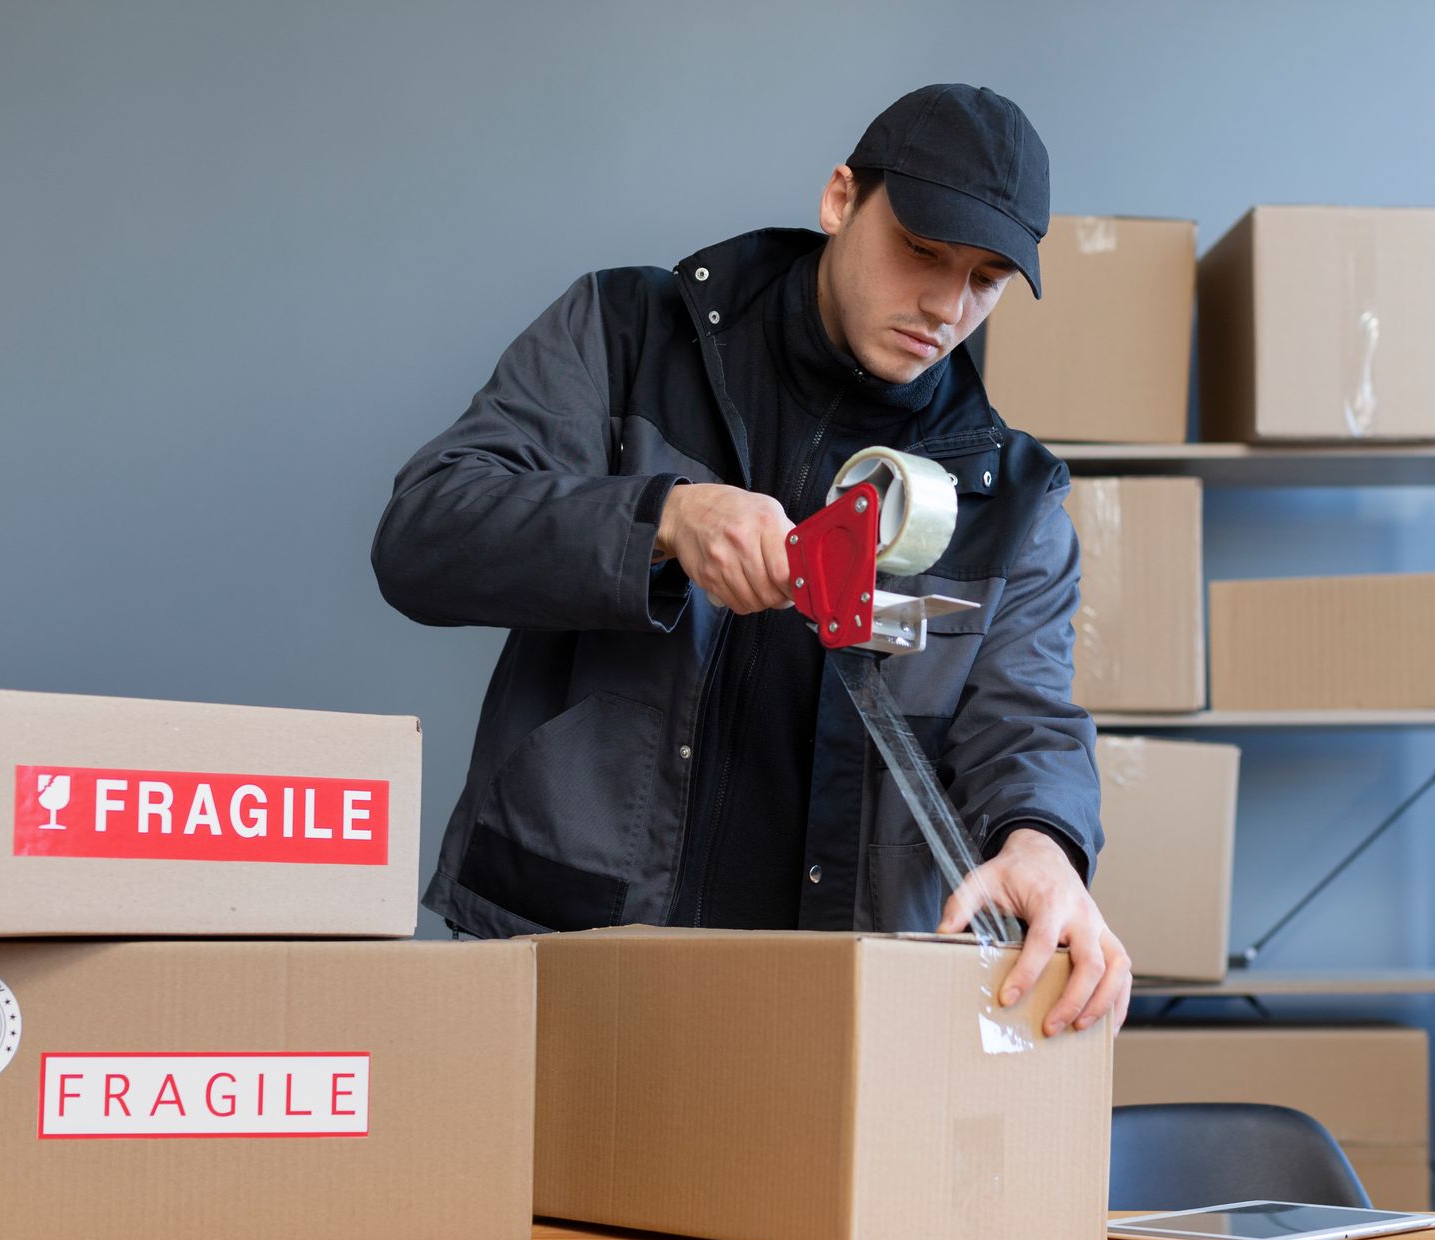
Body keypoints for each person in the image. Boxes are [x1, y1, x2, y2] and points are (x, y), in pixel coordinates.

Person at [372, 84, 1130, 1036]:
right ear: (840, 199)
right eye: (922, 251)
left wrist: (1045, 841)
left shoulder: (1012, 501)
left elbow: (1025, 722)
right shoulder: (624, 335)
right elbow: (423, 534)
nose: (944, 305)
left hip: (822, 1010)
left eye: (983, 280)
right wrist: (661, 520)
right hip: (563, 959)